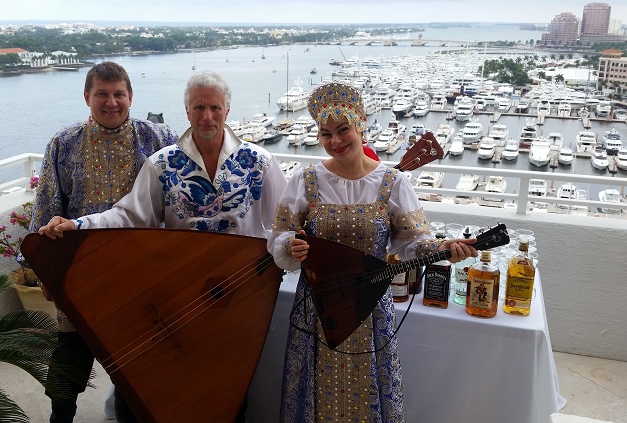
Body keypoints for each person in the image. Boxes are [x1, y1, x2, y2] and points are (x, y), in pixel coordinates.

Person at [38, 69, 288, 421]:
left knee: (231, 385)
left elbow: (285, 222)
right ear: (186, 111)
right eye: (199, 107)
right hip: (181, 292)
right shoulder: (164, 164)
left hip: (241, 293)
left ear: (227, 111)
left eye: (215, 107)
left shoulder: (259, 162)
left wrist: (289, 253)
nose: (207, 116)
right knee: (179, 380)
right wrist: (77, 225)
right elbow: (128, 216)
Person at [267, 81, 477, 423]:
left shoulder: (392, 182)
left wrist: (441, 249)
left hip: (370, 310)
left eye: (343, 130)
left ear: (361, 123)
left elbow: (412, 244)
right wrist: (290, 246)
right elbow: (278, 236)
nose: (335, 141)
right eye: (325, 133)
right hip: (318, 307)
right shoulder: (305, 180)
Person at [29, 61, 178, 423]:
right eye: (102, 94)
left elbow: (183, 200)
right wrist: (47, 272)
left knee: (132, 371)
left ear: (130, 96)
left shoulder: (157, 139)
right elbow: (47, 207)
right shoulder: (64, 143)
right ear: (87, 97)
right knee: (68, 362)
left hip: (139, 273)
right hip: (80, 272)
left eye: (118, 94)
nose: (111, 102)